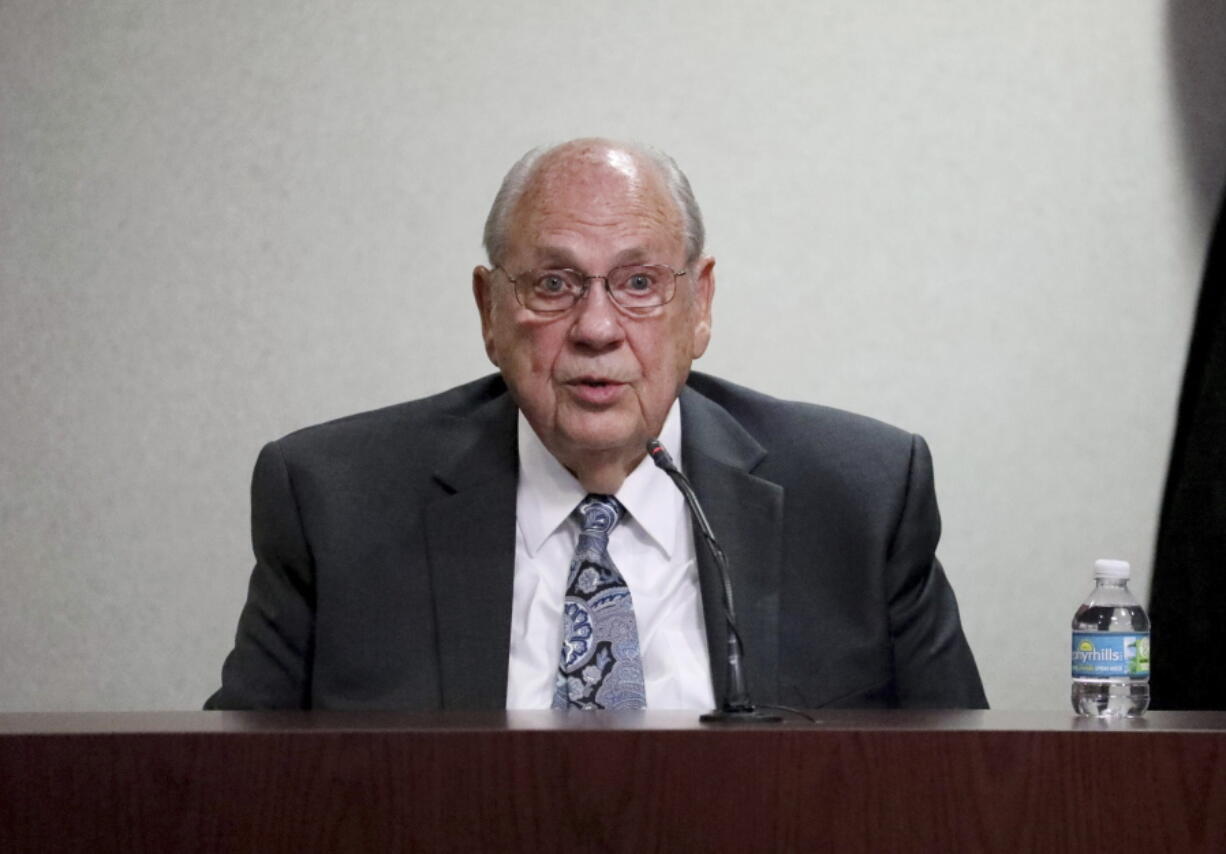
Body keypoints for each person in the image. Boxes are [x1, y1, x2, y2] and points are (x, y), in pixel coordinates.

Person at [205, 138, 987, 711]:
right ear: (489, 308)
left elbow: (964, 788)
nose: (597, 328)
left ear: (700, 306)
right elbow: (233, 794)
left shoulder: (860, 497)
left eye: (640, 282)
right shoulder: (334, 502)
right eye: (554, 283)